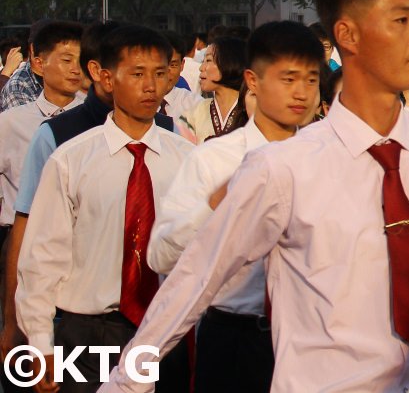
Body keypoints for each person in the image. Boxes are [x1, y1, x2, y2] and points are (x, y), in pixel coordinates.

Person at [98, 0, 409, 393]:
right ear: (349, 35)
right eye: (400, 21)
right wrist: (125, 384)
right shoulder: (283, 169)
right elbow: (194, 282)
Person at [146, 21, 324, 393]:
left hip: (310, 337)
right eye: (289, 79)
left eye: (311, 80)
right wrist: (218, 204)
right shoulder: (214, 160)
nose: (302, 93)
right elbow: (160, 256)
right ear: (252, 81)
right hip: (235, 336)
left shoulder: (328, 160)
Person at [17, 25, 196, 393]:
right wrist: (39, 340)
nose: (151, 86)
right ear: (105, 77)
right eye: (137, 74)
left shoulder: (186, 159)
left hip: (163, 328)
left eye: (160, 74)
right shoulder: (71, 159)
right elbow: (43, 255)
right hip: (88, 332)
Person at [0, 21, 84, 237]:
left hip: (81, 235)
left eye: (81, 60)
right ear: (38, 64)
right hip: (22, 233)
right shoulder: (11, 122)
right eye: (67, 60)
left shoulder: (97, 120)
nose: (76, 69)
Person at [182, 37, 246, 142]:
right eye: (203, 61)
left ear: (229, 63)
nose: (201, 67)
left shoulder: (252, 112)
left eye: (208, 60)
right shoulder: (193, 113)